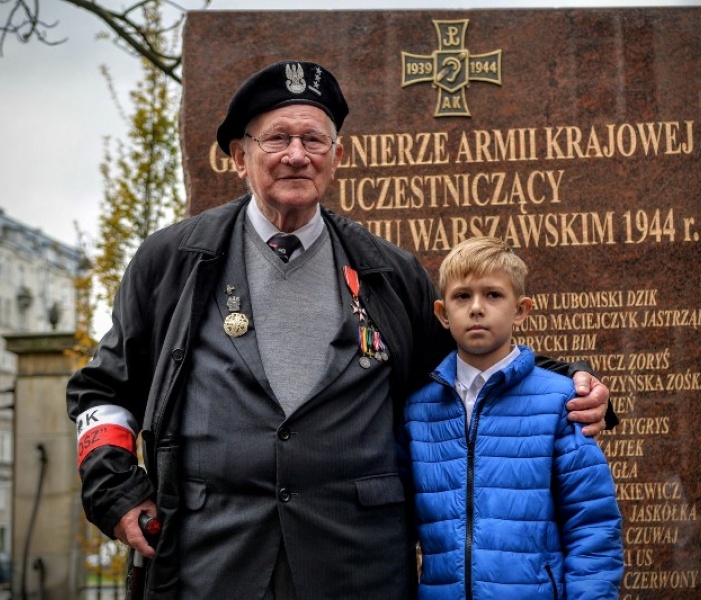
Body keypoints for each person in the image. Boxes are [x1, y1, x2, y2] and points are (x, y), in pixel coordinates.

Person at [66, 60, 614, 599]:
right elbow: (104, 390)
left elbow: (464, 356)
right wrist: (114, 488)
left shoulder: (387, 271)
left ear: (338, 157)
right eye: (277, 138)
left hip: (356, 562)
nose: (297, 156)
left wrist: (571, 377)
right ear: (240, 156)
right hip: (211, 556)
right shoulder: (174, 261)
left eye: (314, 140)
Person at [405, 236, 623, 599]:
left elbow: (592, 524)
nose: (476, 308)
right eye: (462, 296)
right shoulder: (418, 411)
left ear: (521, 309)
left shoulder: (560, 402)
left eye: (493, 295)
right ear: (443, 314)